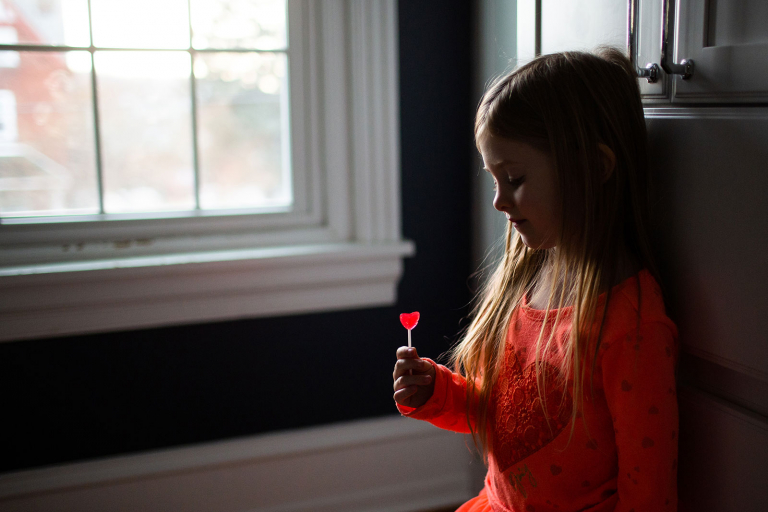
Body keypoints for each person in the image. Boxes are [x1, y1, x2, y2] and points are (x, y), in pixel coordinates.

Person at [393, 48, 678, 512]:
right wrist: (438, 392)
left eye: (515, 178)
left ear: (595, 169)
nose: (499, 202)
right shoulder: (527, 285)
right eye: (494, 181)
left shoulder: (632, 326)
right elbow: (504, 418)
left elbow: (650, 497)